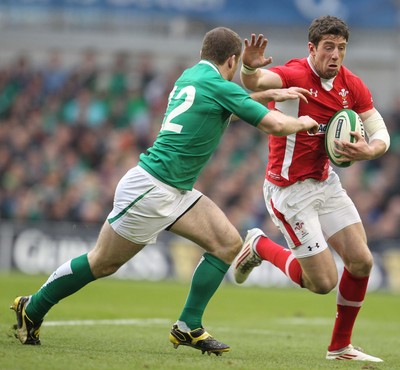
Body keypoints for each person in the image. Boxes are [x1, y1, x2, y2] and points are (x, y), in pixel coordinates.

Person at [11, 27, 318, 356]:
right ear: (232, 60)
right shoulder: (218, 86)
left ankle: (188, 325)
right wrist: (305, 123)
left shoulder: (193, 76)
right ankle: (33, 307)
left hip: (176, 191)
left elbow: (225, 105)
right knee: (102, 263)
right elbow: (271, 124)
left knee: (228, 244)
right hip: (152, 189)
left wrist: (263, 98)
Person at [234, 15, 390, 362]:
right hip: (288, 192)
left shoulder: (353, 85)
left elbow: (380, 132)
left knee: (362, 262)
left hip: (325, 183)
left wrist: (370, 149)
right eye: (329, 48)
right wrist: (247, 67)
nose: (336, 55)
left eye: (342, 48)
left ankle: (340, 348)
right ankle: (259, 245)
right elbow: (255, 81)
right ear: (312, 49)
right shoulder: (293, 74)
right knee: (322, 283)